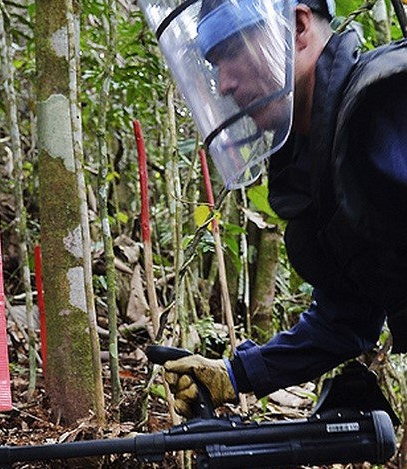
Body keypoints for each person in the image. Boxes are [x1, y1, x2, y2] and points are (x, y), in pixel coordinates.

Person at [139, 0, 407, 416]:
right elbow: (346, 316)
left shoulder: (384, 100)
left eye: (233, 51)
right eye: (213, 65)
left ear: (298, 27)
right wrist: (235, 374)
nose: (223, 83)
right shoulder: (316, 161)